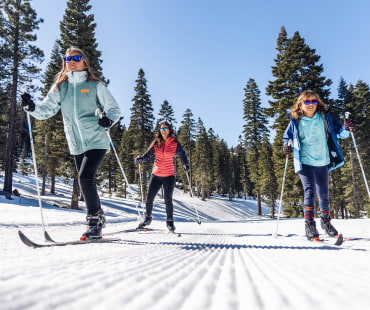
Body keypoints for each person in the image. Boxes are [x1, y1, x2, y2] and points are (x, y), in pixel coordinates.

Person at [21, 47, 121, 240]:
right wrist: (32, 107)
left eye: (76, 58)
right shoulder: (61, 87)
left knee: (85, 178)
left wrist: (108, 119)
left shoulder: (94, 86)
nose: (71, 61)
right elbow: (46, 110)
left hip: (96, 139)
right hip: (76, 143)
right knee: (86, 181)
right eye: (67, 59)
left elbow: (113, 108)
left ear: (84, 62)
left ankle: (93, 222)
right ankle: (98, 216)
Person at [283, 90, 352, 240]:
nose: (310, 104)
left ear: (317, 103)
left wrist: (347, 128)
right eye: (307, 102)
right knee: (310, 192)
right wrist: (286, 145)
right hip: (305, 161)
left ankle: (326, 223)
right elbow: (287, 137)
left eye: (314, 101)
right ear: (300, 104)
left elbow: (340, 132)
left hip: (322, 160)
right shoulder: (296, 121)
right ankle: (310, 225)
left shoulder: (324, 118)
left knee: (324, 194)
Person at [135, 121, 189, 232]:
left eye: (165, 129)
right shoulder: (156, 142)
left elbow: (182, 155)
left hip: (169, 175)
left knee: (168, 199)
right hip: (156, 174)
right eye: (161, 129)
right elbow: (147, 155)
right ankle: (147, 218)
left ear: (169, 130)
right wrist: (141, 159)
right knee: (149, 198)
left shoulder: (175, 143)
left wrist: (185, 164)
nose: (163, 131)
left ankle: (170, 222)